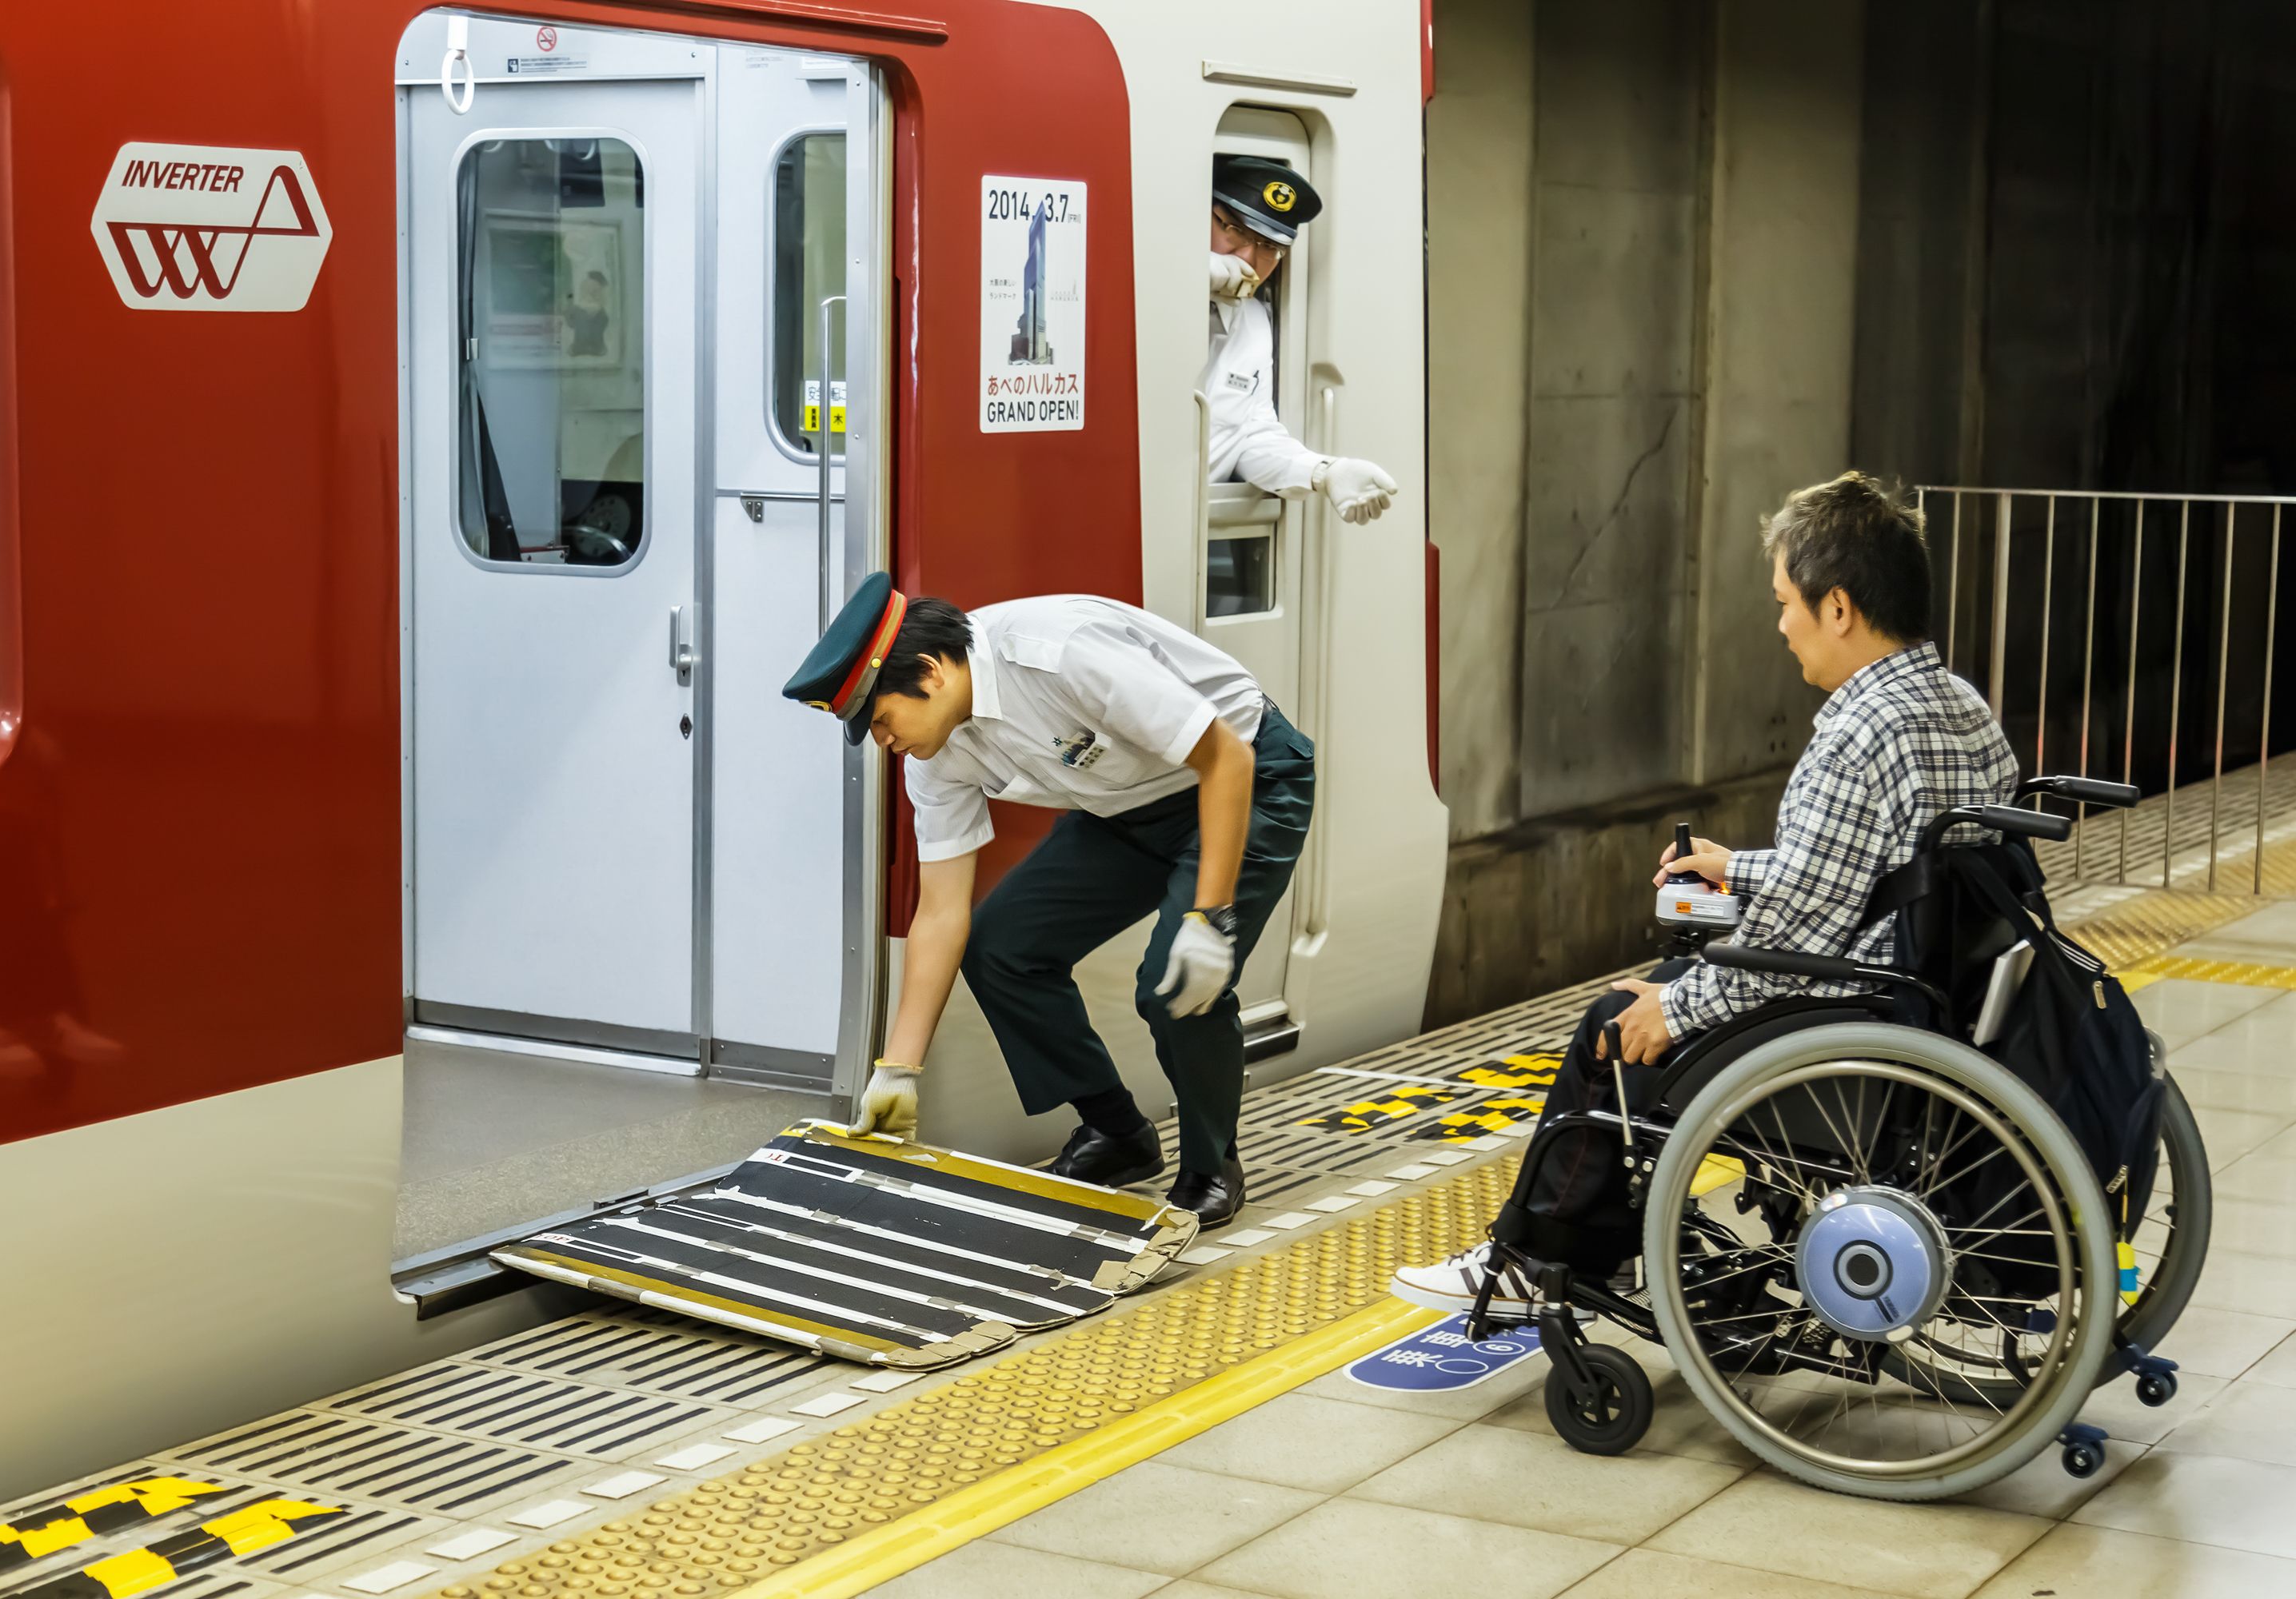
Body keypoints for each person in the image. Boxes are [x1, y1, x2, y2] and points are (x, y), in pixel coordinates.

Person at [1389, 472, 2020, 1317]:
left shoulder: (1856, 734)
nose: (1781, 624)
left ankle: (1540, 1261)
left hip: (1852, 1026)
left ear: (1839, 607)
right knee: (1663, 980)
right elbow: (1862, 875)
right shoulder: (1960, 706)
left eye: (1786, 601)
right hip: (1923, 997)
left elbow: (1802, 938)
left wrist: (1676, 1009)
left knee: (1615, 1021)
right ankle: (1598, 1244)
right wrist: (1739, 867)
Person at [782, 576, 1316, 1228]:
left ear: (930, 671)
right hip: (1124, 810)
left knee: (1172, 986)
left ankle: (1211, 1165)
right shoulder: (933, 753)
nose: (884, 743)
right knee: (1000, 946)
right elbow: (942, 912)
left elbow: (1225, 758)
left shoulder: (1059, 653)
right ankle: (1117, 1131)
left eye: (883, 721)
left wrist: (1209, 918)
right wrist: (898, 1070)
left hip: (1248, 776)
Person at [1205, 154, 1398, 524]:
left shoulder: (1255, 324)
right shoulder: (1141, 294)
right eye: (1236, 230)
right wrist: (1184, 274)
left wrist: (1322, 472)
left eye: (1269, 248)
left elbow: (1248, 438)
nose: (1249, 257)